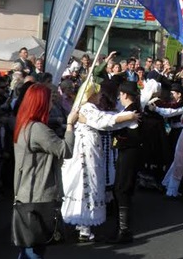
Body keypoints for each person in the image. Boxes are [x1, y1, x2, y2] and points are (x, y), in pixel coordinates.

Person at [60, 81, 140, 243]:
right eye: (97, 93)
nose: (100, 96)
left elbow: (107, 122)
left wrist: (126, 118)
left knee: (86, 184)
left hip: (89, 148)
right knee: (87, 184)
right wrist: (128, 116)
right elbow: (103, 122)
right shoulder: (89, 108)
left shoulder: (88, 108)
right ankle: (84, 228)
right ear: (91, 95)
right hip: (86, 151)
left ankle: (82, 226)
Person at [12, 84, 79, 259]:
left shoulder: (25, 124)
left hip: (26, 193)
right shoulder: (37, 129)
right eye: (50, 100)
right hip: (38, 194)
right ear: (41, 102)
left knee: (30, 246)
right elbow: (65, 150)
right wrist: (71, 125)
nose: (52, 103)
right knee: (35, 248)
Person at [107, 81, 143, 244]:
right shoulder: (129, 111)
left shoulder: (132, 112)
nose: (119, 97)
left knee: (122, 189)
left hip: (130, 153)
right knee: (121, 189)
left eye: (120, 94)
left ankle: (124, 231)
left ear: (125, 95)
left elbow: (112, 125)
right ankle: (120, 229)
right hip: (127, 153)